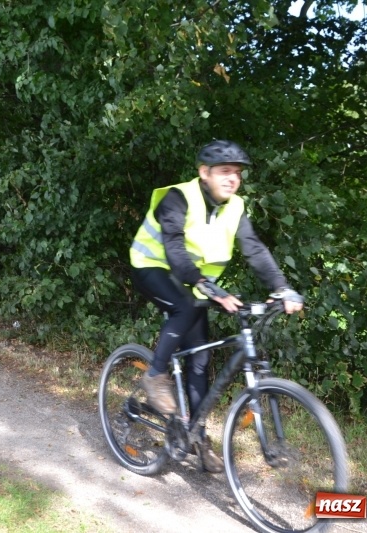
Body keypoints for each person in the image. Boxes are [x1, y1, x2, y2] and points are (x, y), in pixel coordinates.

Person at [129, 139, 304, 473]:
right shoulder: (178, 197)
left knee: (200, 359)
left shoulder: (235, 207)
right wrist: (207, 287)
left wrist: (281, 288)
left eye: (237, 173)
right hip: (152, 266)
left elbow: (254, 249)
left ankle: (196, 436)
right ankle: (154, 376)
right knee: (182, 308)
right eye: (225, 171)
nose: (232, 178)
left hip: (193, 281)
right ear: (204, 173)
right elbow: (174, 247)